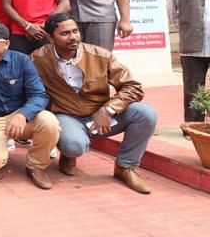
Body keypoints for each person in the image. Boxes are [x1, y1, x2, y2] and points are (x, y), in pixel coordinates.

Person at [32, 13, 157, 194]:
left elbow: (132, 86)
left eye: (75, 31)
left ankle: (125, 167)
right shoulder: (38, 59)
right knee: (74, 145)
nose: (73, 37)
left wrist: (109, 109)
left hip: (101, 116)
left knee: (146, 114)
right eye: (65, 33)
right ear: (50, 37)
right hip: (66, 116)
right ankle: (68, 154)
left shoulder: (100, 55)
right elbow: (30, 92)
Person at [0, 21, 60, 190]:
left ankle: (36, 165)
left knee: (49, 122)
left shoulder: (21, 60)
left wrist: (22, 115)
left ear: (6, 44)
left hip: (20, 115)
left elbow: (39, 95)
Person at [167, 0, 210, 124]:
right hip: (192, 45)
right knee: (193, 87)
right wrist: (187, 28)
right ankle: (194, 125)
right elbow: (172, 11)